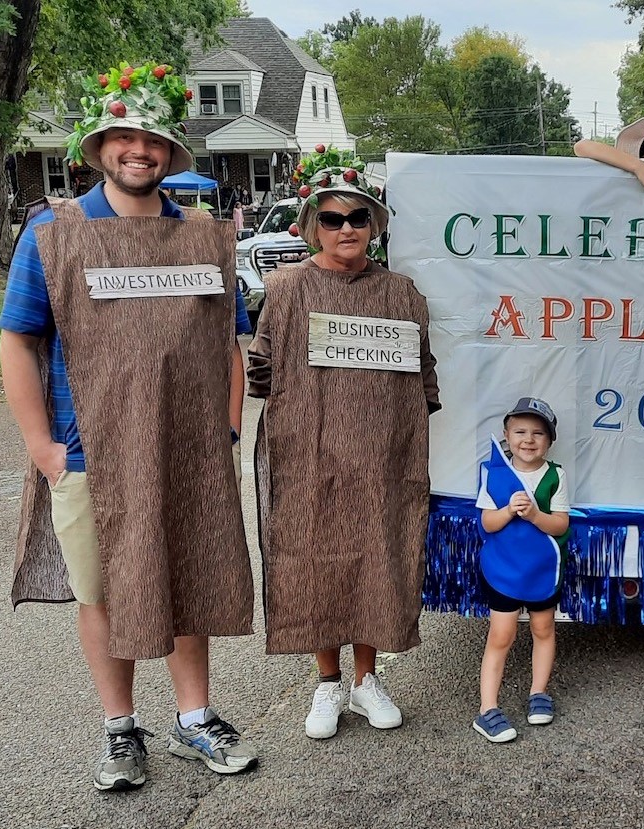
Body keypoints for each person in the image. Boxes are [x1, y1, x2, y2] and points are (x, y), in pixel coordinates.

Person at [0, 61, 257, 791]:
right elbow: (17, 338)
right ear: (99, 144)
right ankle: (120, 729)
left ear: (172, 152)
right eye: (123, 137)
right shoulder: (55, 233)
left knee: (185, 579)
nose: (138, 150)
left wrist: (229, 430)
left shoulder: (206, 241)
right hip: (87, 453)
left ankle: (194, 719)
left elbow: (227, 343)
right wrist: (42, 447)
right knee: (104, 591)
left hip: (188, 450)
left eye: (152, 139)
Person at [247, 145, 440, 740]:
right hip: (308, 453)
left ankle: (366, 679)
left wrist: (391, 434)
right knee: (314, 564)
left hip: (382, 457)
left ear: (375, 227)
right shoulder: (284, 289)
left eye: (358, 218)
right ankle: (327, 682)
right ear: (311, 229)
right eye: (331, 218)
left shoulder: (401, 292)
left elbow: (422, 374)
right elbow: (262, 368)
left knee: (376, 560)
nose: (346, 228)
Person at [472, 398, 571, 743]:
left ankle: (539, 693)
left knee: (544, 629)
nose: (528, 440)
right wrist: (509, 512)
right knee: (501, 636)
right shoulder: (494, 472)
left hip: (542, 570)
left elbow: (560, 525)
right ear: (506, 434)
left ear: (549, 440)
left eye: (538, 433)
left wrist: (534, 516)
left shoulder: (555, 475)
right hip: (504, 570)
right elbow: (487, 523)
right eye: (520, 431)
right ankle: (487, 710)